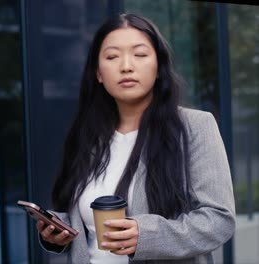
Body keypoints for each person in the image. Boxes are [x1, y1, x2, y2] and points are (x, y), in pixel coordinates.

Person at [36, 13, 235, 263]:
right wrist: (60, 230)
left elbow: (219, 220)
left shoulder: (194, 126)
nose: (126, 66)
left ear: (159, 67)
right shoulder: (87, 136)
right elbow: (86, 224)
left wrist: (146, 236)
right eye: (112, 57)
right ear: (98, 73)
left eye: (140, 54)